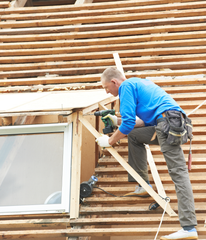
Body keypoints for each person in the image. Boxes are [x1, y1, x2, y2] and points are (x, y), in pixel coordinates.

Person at [96, 67, 198, 240]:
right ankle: (142, 184)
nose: (107, 92)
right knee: (135, 137)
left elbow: (128, 124)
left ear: (114, 82)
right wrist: (116, 121)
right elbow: (142, 123)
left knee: (179, 174)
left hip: (167, 123)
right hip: (169, 122)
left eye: (106, 88)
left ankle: (188, 228)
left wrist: (110, 141)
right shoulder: (140, 82)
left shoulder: (126, 86)